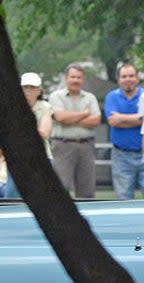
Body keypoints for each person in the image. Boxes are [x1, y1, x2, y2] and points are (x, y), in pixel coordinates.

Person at [50, 63, 101, 198]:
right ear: (66, 78)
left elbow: (95, 120)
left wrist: (70, 118)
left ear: (83, 80)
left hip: (86, 146)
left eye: (79, 77)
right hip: (63, 145)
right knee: (62, 187)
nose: (76, 80)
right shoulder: (56, 96)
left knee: (87, 190)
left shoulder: (90, 98)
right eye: (73, 77)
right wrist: (84, 114)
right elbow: (60, 117)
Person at [104, 63, 144, 200]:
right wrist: (140, 118)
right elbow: (113, 122)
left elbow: (119, 120)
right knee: (123, 198)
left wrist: (121, 118)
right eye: (124, 76)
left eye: (131, 76)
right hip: (121, 156)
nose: (128, 79)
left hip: (143, 152)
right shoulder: (111, 97)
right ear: (118, 79)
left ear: (137, 78)